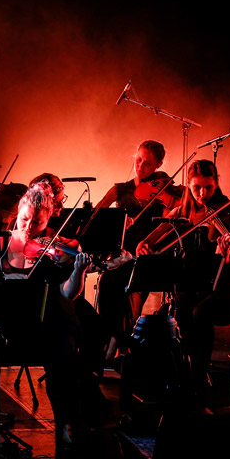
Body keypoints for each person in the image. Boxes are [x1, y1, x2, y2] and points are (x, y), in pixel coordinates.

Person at [0, 182, 95, 446]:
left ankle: (64, 424)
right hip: (8, 322)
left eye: (37, 223)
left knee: (62, 352)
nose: (28, 228)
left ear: (48, 220)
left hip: (50, 323)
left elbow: (67, 293)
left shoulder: (57, 249)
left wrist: (78, 271)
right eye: (24, 220)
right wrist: (7, 275)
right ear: (18, 214)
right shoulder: (1, 243)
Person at [136, 160, 230, 399]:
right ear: (188, 185)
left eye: (208, 187)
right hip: (192, 282)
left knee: (199, 313)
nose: (203, 194)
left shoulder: (222, 209)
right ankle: (188, 374)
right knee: (183, 312)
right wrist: (145, 243)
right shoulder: (184, 209)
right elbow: (163, 228)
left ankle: (198, 375)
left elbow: (227, 231)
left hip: (220, 287)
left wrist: (224, 247)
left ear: (216, 184)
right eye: (197, 188)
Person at [95, 140, 182, 362]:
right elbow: (96, 215)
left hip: (147, 255)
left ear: (158, 165)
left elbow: (171, 219)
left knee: (131, 286)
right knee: (107, 284)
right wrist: (114, 223)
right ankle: (115, 342)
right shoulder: (119, 189)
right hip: (121, 254)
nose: (140, 166)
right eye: (138, 159)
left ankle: (118, 344)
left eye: (147, 163)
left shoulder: (164, 189)